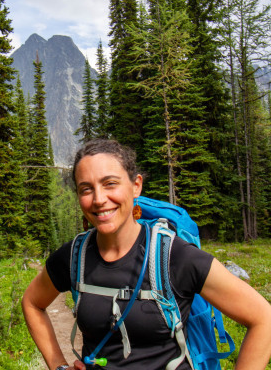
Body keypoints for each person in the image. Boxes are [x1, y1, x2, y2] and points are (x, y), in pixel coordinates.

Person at [22, 139, 271, 370]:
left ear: (136, 186)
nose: (99, 199)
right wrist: (58, 364)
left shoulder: (175, 256)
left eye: (110, 183)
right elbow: (32, 303)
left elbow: (263, 319)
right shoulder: (74, 256)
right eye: (86, 189)